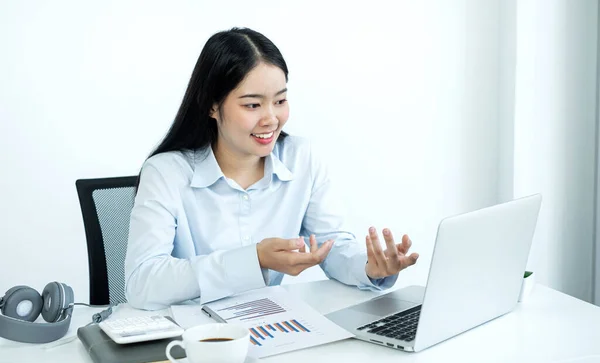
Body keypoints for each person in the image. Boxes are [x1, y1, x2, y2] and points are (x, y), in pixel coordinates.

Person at [124, 27, 419, 310]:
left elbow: (332, 246)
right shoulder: (165, 173)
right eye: (252, 105)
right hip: (193, 341)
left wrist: (370, 268)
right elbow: (143, 282)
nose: (271, 119)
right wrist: (253, 259)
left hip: (271, 324)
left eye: (280, 101)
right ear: (212, 106)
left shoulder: (301, 157)